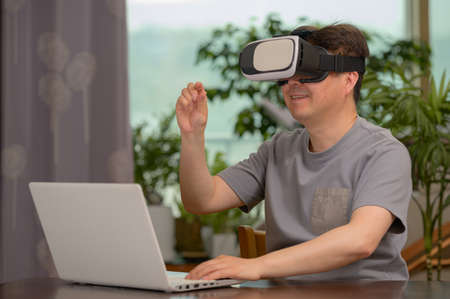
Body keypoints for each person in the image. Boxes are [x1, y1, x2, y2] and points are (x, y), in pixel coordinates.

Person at [175, 23, 412, 281]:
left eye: (310, 73)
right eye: (286, 76)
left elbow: (360, 239)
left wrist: (256, 266)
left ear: (349, 79)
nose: (293, 84)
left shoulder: (384, 153)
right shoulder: (278, 150)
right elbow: (202, 200)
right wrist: (192, 135)